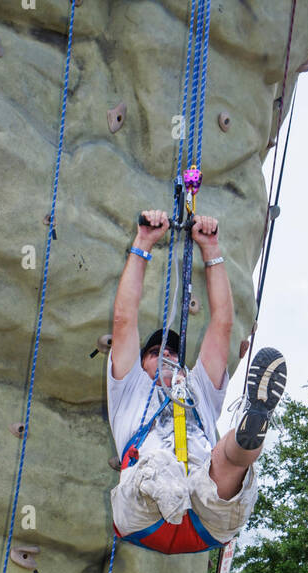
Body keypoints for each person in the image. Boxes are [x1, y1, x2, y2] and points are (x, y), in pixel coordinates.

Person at [107, 207, 287, 548]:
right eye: (154, 351)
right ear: (139, 363)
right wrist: (143, 241)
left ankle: (252, 426)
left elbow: (223, 325)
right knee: (158, 468)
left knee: (228, 459)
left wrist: (212, 248)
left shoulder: (197, 388)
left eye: (173, 352)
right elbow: (124, 319)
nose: (166, 355)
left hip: (206, 512)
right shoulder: (128, 388)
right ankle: (178, 475)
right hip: (146, 513)